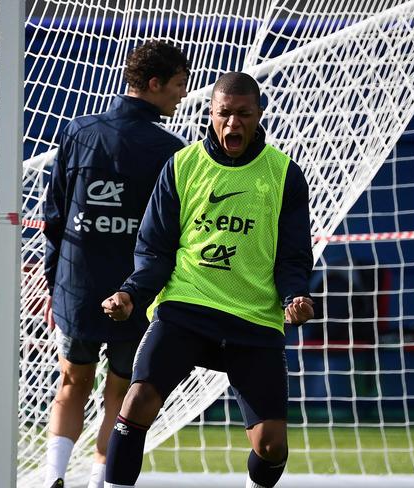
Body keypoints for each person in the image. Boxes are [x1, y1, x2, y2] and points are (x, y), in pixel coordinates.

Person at [101, 72, 315, 488]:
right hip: (187, 306)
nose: (233, 123)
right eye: (224, 114)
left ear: (258, 115)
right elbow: (155, 250)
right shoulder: (182, 166)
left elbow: (292, 254)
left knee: (271, 445)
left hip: (253, 318)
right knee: (138, 399)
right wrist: (131, 293)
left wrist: (296, 295)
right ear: (211, 114)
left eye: (243, 114)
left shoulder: (284, 175)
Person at [42, 41, 190, 488]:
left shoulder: (78, 131)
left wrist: (56, 284)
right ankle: (97, 482)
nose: (182, 96)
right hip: (134, 294)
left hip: (77, 286)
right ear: (154, 83)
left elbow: (55, 217)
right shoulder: (172, 151)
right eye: (178, 86)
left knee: (72, 381)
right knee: (119, 394)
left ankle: (52, 479)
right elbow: (170, 236)